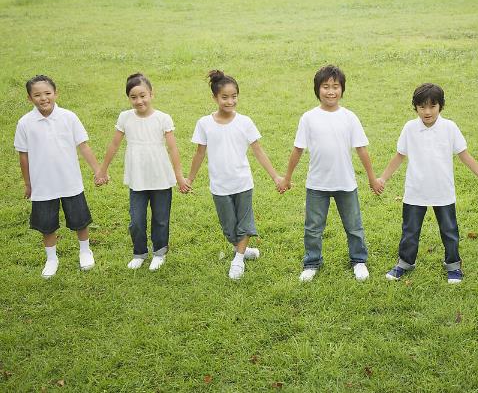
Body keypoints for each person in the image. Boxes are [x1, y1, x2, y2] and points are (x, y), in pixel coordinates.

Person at [378, 83, 478, 284]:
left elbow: (464, 156)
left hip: (443, 191)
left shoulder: (450, 127)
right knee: (410, 230)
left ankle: (453, 265)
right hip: (415, 190)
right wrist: (382, 179)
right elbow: (399, 156)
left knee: (449, 230)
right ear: (415, 107)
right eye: (422, 107)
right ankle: (405, 262)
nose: (427, 112)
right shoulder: (409, 128)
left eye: (432, 106)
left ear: (441, 106)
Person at [278, 65, 382, 282]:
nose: (331, 91)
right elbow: (298, 149)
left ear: (342, 89)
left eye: (335, 86)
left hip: (346, 183)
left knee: (354, 226)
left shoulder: (349, 117)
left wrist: (372, 178)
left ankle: (359, 260)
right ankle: (312, 262)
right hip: (317, 184)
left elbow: (361, 149)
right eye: (325, 86)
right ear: (317, 89)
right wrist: (287, 178)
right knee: (313, 228)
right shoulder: (308, 118)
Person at [187, 70, 283, 280]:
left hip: (243, 183)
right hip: (219, 186)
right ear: (215, 98)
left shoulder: (245, 122)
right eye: (225, 97)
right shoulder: (204, 123)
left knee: (245, 223)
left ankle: (238, 260)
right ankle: (243, 249)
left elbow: (258, 150)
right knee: (229, 228)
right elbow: (199, 153)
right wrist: (189, 179)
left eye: (234, 96)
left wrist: (276, 177)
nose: (230, 101)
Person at [96, 73, 190, 271]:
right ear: (128, 98)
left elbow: (173, 149)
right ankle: (139, 252)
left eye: (142, 95)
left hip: (161, 177)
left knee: (161, 219)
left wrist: (179, 176)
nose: (139, 101)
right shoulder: (125, 117)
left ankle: (159, 252)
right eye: (133, 97)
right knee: (136, 220)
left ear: (151, 94)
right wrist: (102, 170)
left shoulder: (162, 118)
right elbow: (114, 144)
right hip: (137, 177)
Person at [15, 75, 102, 278]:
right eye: (37, 95)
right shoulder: (25, 123)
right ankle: (52, 258)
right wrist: (28, 183)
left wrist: (97, 170)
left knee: (80, 219)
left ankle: (85, 251)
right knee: (47, 223)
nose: (43, 98)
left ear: (56, 94)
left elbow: (83, 146)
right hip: (42, 184)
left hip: (70, 180)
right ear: (29, 98)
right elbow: (23, 155)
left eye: (47, 93)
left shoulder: (68, 117)